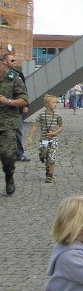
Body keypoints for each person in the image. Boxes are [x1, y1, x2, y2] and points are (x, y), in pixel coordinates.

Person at [0, 51, 29, 195]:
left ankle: (9, 176)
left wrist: (9, 101)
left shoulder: (14, 79)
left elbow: (24, 100)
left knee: (7, 154)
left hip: (7, 123)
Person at [27, 94, 64, 183]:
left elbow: (62, 126)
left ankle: (50, 176)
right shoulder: (41, 115)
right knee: (45, 156)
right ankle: (44, 160)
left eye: (56, 102)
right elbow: (35, 126)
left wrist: (55, 133)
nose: (55, 104)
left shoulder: (57, 115)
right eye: (53, 102)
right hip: (43, 140)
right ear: (47, 104)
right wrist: (30, 137)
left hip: (53, 139)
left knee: (52, 157)